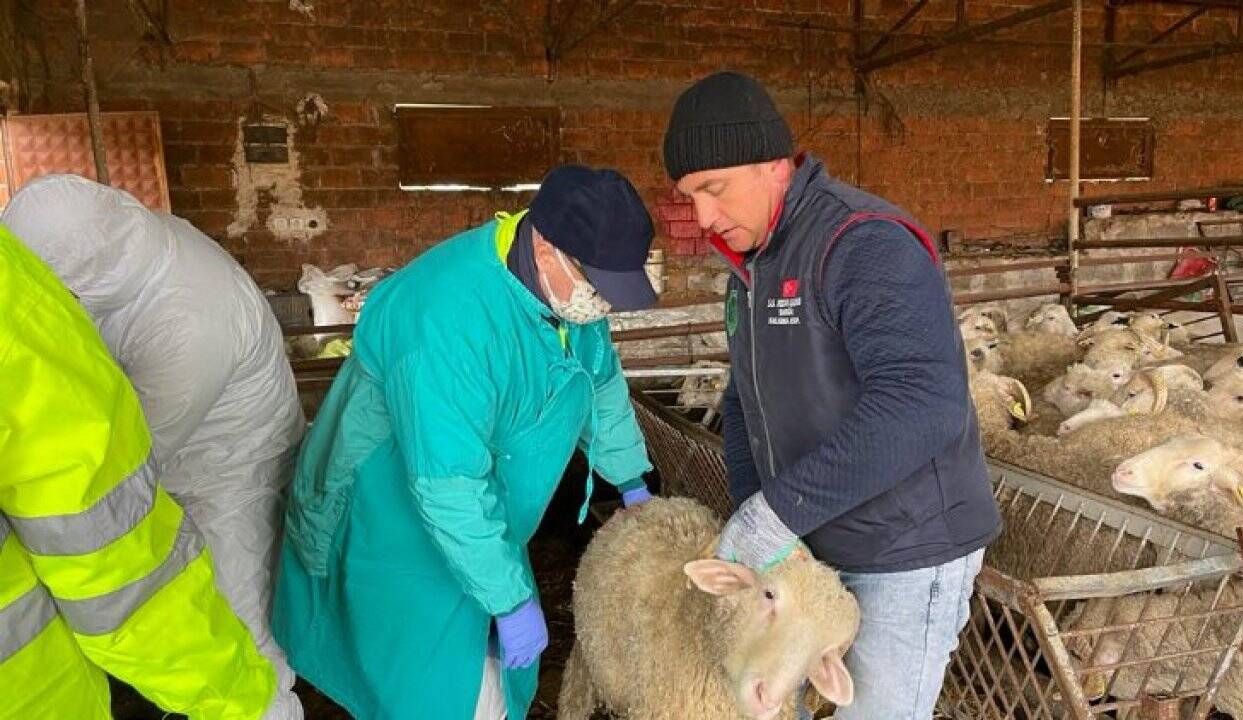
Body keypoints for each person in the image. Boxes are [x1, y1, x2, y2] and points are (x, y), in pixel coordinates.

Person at [662, 71, 1002, 720]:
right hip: (813, 547)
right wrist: (752, 515)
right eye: (688, 195)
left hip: (902, 547)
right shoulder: (754, 268)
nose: (703, 217)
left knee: (874, 712)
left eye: (713, 188)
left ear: (771, 166)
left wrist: (776, 514)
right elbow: (744, 400)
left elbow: (922, 403)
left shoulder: (862, 243)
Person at [273, 164, 659, 720]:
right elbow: (448, 486)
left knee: (494, 671)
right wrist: (508, 597)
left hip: (486, 515)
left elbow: (600, 385)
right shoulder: (444, 318)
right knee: (429, 690)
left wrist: (632, 482)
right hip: (393, 519)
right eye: (598, 285)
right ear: (545, 245)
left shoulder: (567, 295)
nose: (602, 305)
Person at [1, 174, 307, 716]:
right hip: (187, 461)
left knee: (234, 620)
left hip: (232, 477)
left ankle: (271, 704)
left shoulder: (190, 321)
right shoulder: (128, 250)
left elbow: (125, 464)